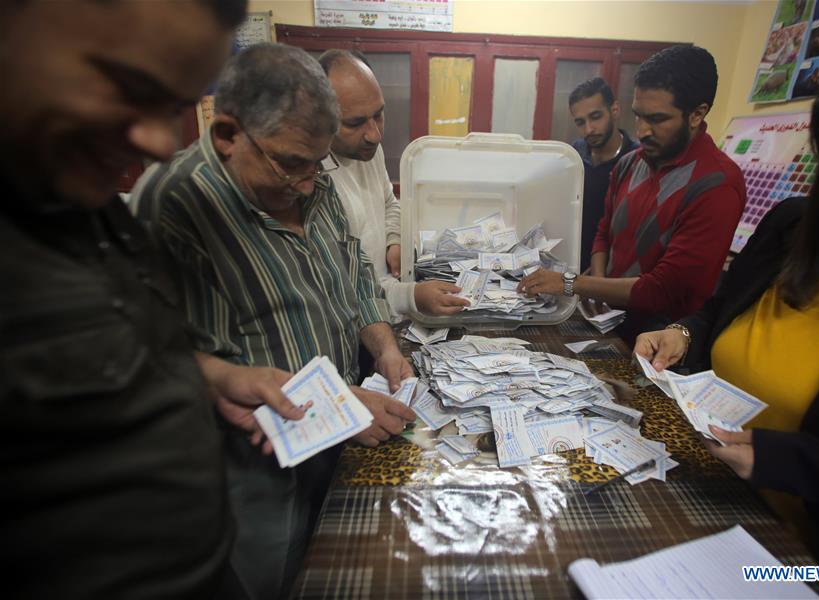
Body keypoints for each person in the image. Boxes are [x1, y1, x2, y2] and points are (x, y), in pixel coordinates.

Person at [0, 1, 311, 598]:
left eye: (174, 106)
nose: (162, 142)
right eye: (128, 87)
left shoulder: (74, 200)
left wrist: (211, 375)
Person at [131, 44, 417, 600]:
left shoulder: (311, 175)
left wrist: (381, 345)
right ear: (227, 135)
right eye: (290, 164)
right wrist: (334, 402)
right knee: (272, 578)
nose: (309, 184)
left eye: (317, 163)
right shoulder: (178, 204)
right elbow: (192, 368)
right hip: (251, 467)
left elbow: (352, 276)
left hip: (337, 425)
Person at [635, 33, 819, 599]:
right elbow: (719, 308)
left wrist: (792, 461)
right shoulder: (793, 225)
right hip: (718, 499)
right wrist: (682, 333)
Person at [519, 45, 746, 343]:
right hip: (605, 321)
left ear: (696, 114)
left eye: (658, 119)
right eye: (639, 116)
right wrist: (596, 285)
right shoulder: (629, 164)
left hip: (659, 341)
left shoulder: (717, 185)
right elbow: (604, 234)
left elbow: (662, 289)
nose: (643, 131)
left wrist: (573, 284)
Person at [319, 49, 469, 320]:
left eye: (378, 114)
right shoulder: (315, 180)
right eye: (355, 123)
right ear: (320, 116)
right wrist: (412, 296)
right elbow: (347, 289)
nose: (375, 134)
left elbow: (388, 200)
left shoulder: (369, 149)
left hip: (388, 305)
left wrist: (394, 240)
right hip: (357, 322)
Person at [568, 77, 638, 272]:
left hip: (614, 272)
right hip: (573, 263)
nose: (589, 129)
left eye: (596, 117)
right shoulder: (575, 154)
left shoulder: (636, 161)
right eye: (580, 122)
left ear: (614, 110)